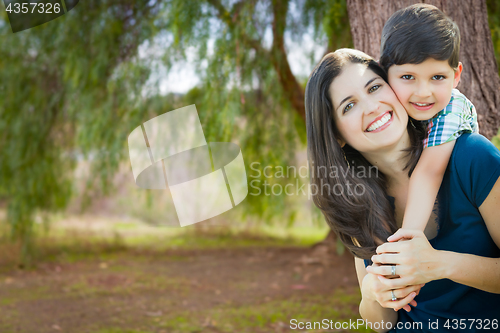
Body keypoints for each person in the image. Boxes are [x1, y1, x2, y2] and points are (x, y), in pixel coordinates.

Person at [305, 48, 500, 332]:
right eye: (349, 106)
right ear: (336, 135)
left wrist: (440, 264)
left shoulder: (471, 157)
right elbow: (381, 323)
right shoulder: (356, 200)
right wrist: (372, 292)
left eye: (374, 88)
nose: (371, 107)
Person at [380, 4, 478, 234]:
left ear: (456, 76)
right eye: (407, 76)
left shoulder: (452, 108)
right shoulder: (392, 108)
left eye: (437, 77)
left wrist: (407, 239)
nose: (423, 92)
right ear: (385, 74)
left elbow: (429, 174)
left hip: (462, 213)